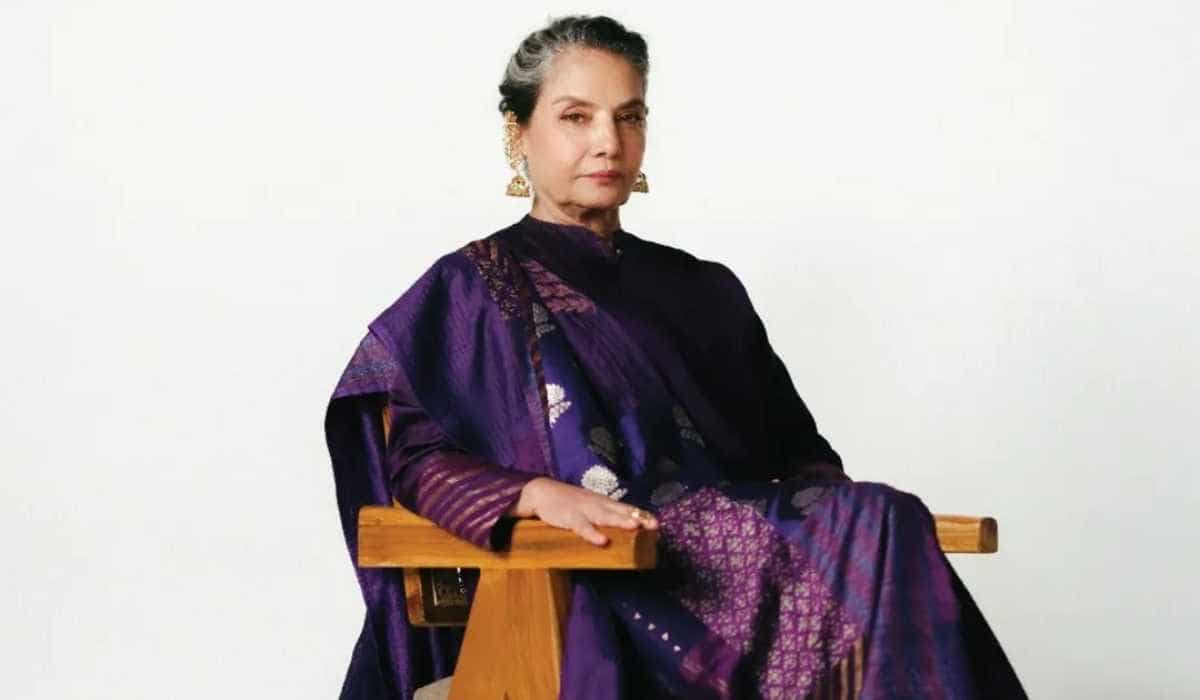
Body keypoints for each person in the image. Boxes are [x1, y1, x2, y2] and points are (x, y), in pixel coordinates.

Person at [324, 14, 1027, 699]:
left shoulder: (704, 289)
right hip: (607, 574)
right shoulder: (473, 287)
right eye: (576, 117)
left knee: (882, 521)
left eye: (629, 117)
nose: (608, 142)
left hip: (751, 573)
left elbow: (802, 455)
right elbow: (417, 462)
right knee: (882, 521)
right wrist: (535, 494)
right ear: (519, 131)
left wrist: (832, 547)